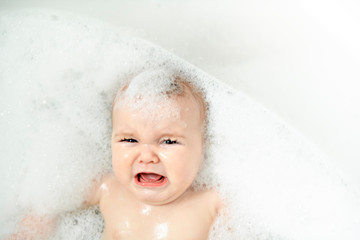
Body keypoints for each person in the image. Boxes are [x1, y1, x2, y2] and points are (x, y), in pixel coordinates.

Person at [9, 69, 222, 240]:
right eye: (130, 140)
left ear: (203, 147)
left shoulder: (211, 203)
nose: (146, 156)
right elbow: (48, 204)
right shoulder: (108, 189)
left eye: (168, 141)